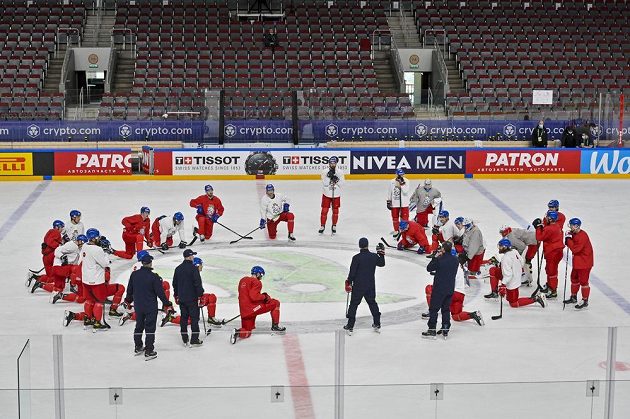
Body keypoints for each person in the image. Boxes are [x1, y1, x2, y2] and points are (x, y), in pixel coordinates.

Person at [123, 252, 173, 360]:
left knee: (139, 326)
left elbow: (130, 291)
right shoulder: (154, 277)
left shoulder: (134, 275)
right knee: (150, 328)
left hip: (139, 306)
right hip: (150, 307)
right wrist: (167, 304)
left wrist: (127, 301)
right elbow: (160, 293)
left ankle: (138, 346)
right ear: (150, 263)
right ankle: (149, 350)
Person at [423, 244, 484, 327]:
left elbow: (445, 277)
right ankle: (473, 314)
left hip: (451, 292)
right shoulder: (456, 263)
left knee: (429, 288)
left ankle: (431, 312)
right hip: (461, 294)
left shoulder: (447, 263)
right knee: (456, 316)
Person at [231, 266, 286, 344]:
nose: (261, 277)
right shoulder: (257, 282)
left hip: (244, 312)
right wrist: (265, 297)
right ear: (257, 274)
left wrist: (246, 309)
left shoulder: (242, 280)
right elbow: (254, 297)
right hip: (253, 309)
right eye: (261, 275)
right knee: (276, 303)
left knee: (247, 332)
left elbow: (242, 295)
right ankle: (275, 326)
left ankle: (237, 332)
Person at [162, 257, 223, 327]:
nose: (202, 266)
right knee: (190, 321)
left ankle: (211, 318)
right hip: (189, 300)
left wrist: (200, 296)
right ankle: (171, 318)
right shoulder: (189, 274)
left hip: (194, 298)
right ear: (196, 265)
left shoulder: (192, 273)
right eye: (200, 264)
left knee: (211, 297)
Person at [484, 239, 546, 308]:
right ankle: (494, 292)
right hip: (515, 276)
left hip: (512, 282)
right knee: (493, 270)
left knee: (514, 304)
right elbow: (522, 262)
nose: (499, 248)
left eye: (500, 247)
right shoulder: (514, 251)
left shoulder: (505, 258)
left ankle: (536, 298)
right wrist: (515, 269)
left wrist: (503, 285)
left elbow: (508, 275)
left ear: (505, 247)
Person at [343, 238, 386, 335]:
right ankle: (377, 323)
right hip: (370, 285)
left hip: (358, 285)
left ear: (359, 245)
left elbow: (352, 273)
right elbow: (382, 264)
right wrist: (381, 254)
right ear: (367, 245)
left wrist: (348, 282)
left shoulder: (356, 258)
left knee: (354, 304)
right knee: (372, 303)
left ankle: (350, 326)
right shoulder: (374, 256)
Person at [32, 235, 86, 302]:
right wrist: (62, 256)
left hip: (59, 268)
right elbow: (57, 250)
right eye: (83, 242)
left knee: (58, 288)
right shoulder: (72, 246)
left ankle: (40, 284)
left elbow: (74, 259)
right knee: (76, 269)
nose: (83, 245)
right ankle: (74, 285)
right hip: (61, 268)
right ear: (79, 241)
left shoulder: (76, 247)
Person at [422, 241, 458, 339]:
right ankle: (445, 328)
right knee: (446, 309)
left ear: (443, 249)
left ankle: (432, 330)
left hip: (439, 289)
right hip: (450, 289)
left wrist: (435, 257)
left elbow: (429, 268)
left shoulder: (440, 260)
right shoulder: (456, 260)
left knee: (434, 309)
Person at [81, 228, 113, 330]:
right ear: (94, 238)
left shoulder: (85, 246)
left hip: (86, 279)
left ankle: (88, 319)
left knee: (89, 300)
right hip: (96, 281)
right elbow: (105, 263)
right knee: (99, 301)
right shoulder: (97, 249)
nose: (99, 238)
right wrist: (106, 253)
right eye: (97, 237)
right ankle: (98, 322)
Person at [172, 249, 205, 347]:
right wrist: (200, 294)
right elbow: (197, 283)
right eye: (193, 256)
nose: (193, 257)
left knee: (184, 318)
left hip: (182, 298)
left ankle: (184, 338)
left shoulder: (178, 269)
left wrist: (177, 295)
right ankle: (194, 339)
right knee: (194, 319)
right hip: (192, 299)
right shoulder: (193, 268)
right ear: (190, 257)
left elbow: (175, 284)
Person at [563, 218, 594, 310]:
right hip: (578, 262)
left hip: (584, 263)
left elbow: (576, 250)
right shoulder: (575, 233)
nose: (570, 227)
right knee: (574, 278)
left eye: (571, 225)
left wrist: (568, 240)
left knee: (584, 281)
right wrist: (569, 237)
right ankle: (573, 297)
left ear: (576, 226)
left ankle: (585, 300)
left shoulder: (582, 236)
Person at [534, 211, 564, 299]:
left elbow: (539, 237)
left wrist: (538, 228)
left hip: (552, 252)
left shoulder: (549, 229)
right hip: (557, 251)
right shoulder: (557, 226)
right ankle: (550, 285)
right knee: (550, 269)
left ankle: (553, 290)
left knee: (552, 271)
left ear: (550, 219)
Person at [319, 156, 344, 234]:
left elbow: (342, 184)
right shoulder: (324, 171)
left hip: (336, 194)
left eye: (334, 163)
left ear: (336, 163)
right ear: (329, 163)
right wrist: (328, 177)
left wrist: (335, 179)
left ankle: (334, 225)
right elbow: (325, 184)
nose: (332, 164)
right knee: (324, 211)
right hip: (326, 193)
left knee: (335, 211)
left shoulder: (340, 172)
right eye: (331, 163)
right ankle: (322, 225)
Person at [386, 169, 410, 235]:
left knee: (405, 218)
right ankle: (396, 230)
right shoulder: (392, 181)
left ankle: (404, 230)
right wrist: (388, 201)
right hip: (395, 203)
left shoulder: (406, 181)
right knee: (395, 218)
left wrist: (402, 184)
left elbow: (405, 191)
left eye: (402, 174)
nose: (401, 176)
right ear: (396, 174)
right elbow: (390, 192)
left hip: (404, 203)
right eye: (400, 174)